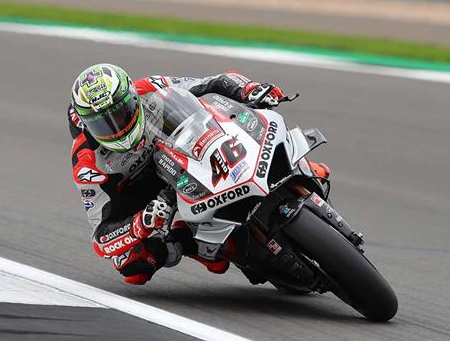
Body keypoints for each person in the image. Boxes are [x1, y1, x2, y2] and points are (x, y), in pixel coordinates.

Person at [68, 63, 300, 285]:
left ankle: (299, 167)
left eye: (120, 113)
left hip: (187, 151)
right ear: (86, 125)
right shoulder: (87, 162)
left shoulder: (150, 88)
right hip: (146, 197)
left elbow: (211, 83)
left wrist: (248, 88)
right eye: (103, 124)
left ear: (132, 97)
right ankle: (196, 245)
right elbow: (101, 239)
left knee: (250, 117)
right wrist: (139, 224)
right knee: (130, 264)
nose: (116, 127)